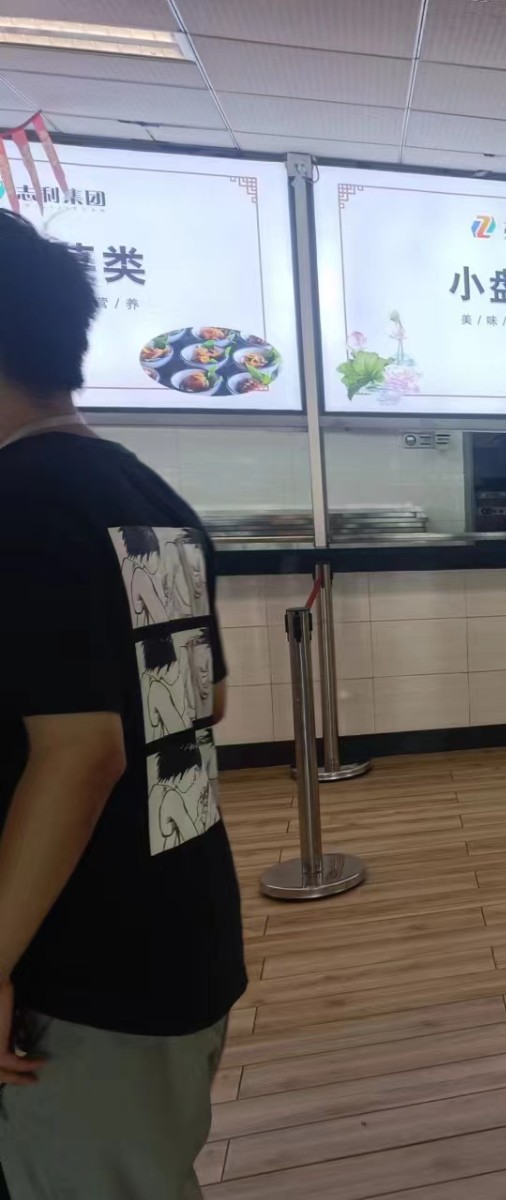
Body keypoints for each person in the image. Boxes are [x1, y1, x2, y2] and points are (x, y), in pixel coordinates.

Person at [0, 210, 245, 1197]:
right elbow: (206, 697)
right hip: (178, 919)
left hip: (77, 971)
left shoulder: (17, 506)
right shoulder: (143, 489)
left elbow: (82, 752)